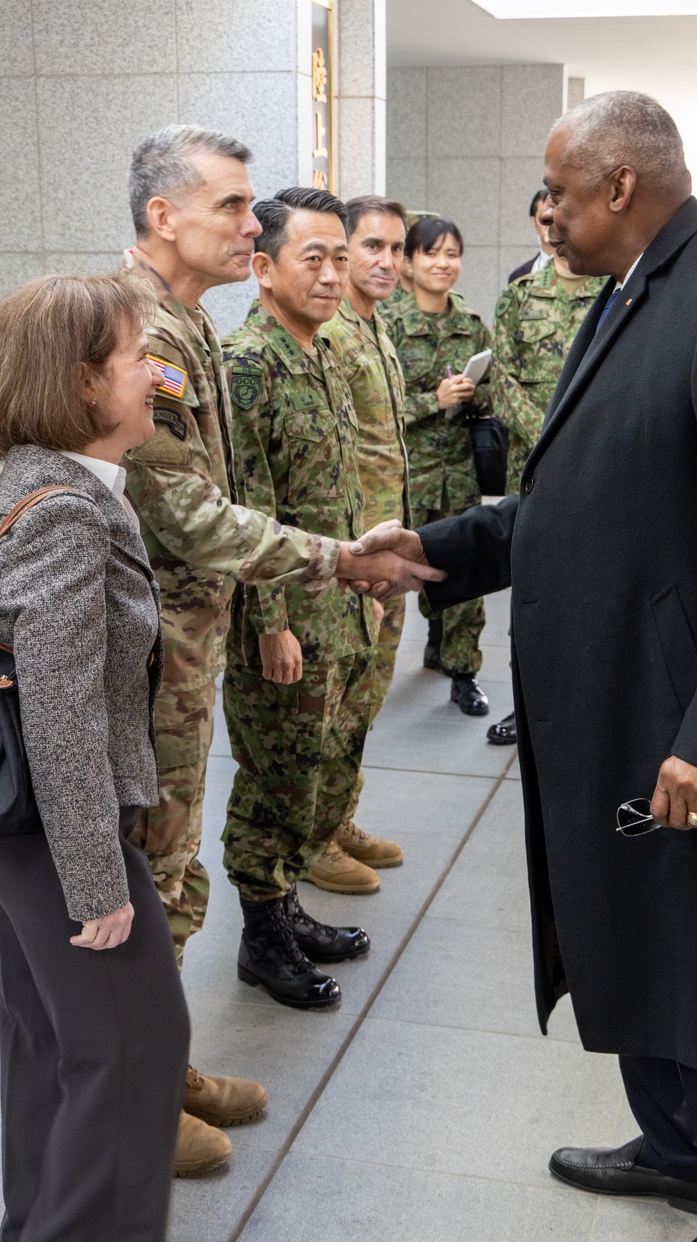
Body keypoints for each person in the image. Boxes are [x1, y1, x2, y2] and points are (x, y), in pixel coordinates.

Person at [354, 91, 697, 1242]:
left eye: (562, 194)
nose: (547, 215)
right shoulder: (630, 294)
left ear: (621, 183)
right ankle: (678, 1146)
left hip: (690, 719)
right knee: (637, 939)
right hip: (618, 704)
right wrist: (439, 546)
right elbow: (588, 494)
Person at [122, 127, 427, 1171]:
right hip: (153, 648)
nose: (250, 225)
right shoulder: (145, 336)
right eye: (231, 207)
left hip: (190, 642)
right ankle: (137, 1098)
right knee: (152, 867)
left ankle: (162, 1061)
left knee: (171, 856)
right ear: (163, 215)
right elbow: (193, 512)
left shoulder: (187, 325)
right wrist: (334, 564)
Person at [0, 272, 190, 1242]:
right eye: (136, 351)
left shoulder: (61, 482)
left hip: (35, 827)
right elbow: (56, 710)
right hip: (59, 829)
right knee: (133, 1038)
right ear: (80, 379)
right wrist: (99, 882)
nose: (156, 368)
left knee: (53, 1037)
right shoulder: (65, 514)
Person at [220, 187, 384, 1010]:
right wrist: (271, 628)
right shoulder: (246, 365)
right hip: (285, 623)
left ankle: (286, 905)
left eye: (339, 258)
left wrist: (366, 587)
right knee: (274, 779)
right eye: (312, 258)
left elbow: (337, 489)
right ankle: (261, 936)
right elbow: (247, 511)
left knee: (321, 773)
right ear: (263, 268)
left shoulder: (322, 349)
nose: (330, 275)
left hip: (341, 607)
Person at [307, 195, 411, 896]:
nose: (387, 262)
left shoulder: (376, 329)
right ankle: (313, 839)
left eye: (395, 249)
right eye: (370, 247)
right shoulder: (332, 335)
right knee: (335, 701)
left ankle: (340, 816)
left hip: (388, 547)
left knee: (365, 699)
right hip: (352, 555)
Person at [487, 245, 606, 745]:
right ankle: (526, 706)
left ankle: (591, 704)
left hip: (599, 463)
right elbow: (502, 378)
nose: (557, 218)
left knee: (596, 589)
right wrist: (550, 437)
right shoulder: (518, 296)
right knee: (533, 590)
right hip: (533, 467)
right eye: (549, 206)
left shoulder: (613, 290)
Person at [386, 216, 492, 717]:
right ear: (408, 262)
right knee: (398, 570)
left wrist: (474, 393)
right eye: (431, 253)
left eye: (452, 254)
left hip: (460, 470)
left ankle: (462, 670)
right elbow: (377, 407)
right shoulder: (389, 324)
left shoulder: (470, 324)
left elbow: (494, 390)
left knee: (465, 567)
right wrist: (433, 399)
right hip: (406, 474)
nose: (443, 263)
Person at [508, 189, 552, 283]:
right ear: (533, 222)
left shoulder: (581, 272)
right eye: (543, 218)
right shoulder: (518, 278)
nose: (548, 224)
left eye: (552, 216)